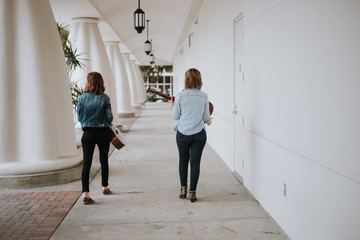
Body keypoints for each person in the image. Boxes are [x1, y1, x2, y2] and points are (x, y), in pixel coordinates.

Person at [170, 68, 212, 202]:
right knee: (195, 163)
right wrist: (207, 119)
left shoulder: (180, 96)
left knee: (183, 161)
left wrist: (172, 105)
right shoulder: (204, 96)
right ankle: (192, 192)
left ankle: (183, 190)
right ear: (199, 80)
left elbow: (175, 116)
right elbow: (206, 117)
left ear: (186, 80)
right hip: (199, 134)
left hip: (182, 133)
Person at [77, 72, 113, 204]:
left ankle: (85, 194)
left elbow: (79, 118)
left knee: (87, 163)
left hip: (87, 134)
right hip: (103, 132)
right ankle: (105, 187)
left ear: (88, 82)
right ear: (101, 82)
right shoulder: (105, 98)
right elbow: (110, 118)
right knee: (104, 160)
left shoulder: (82, 98)